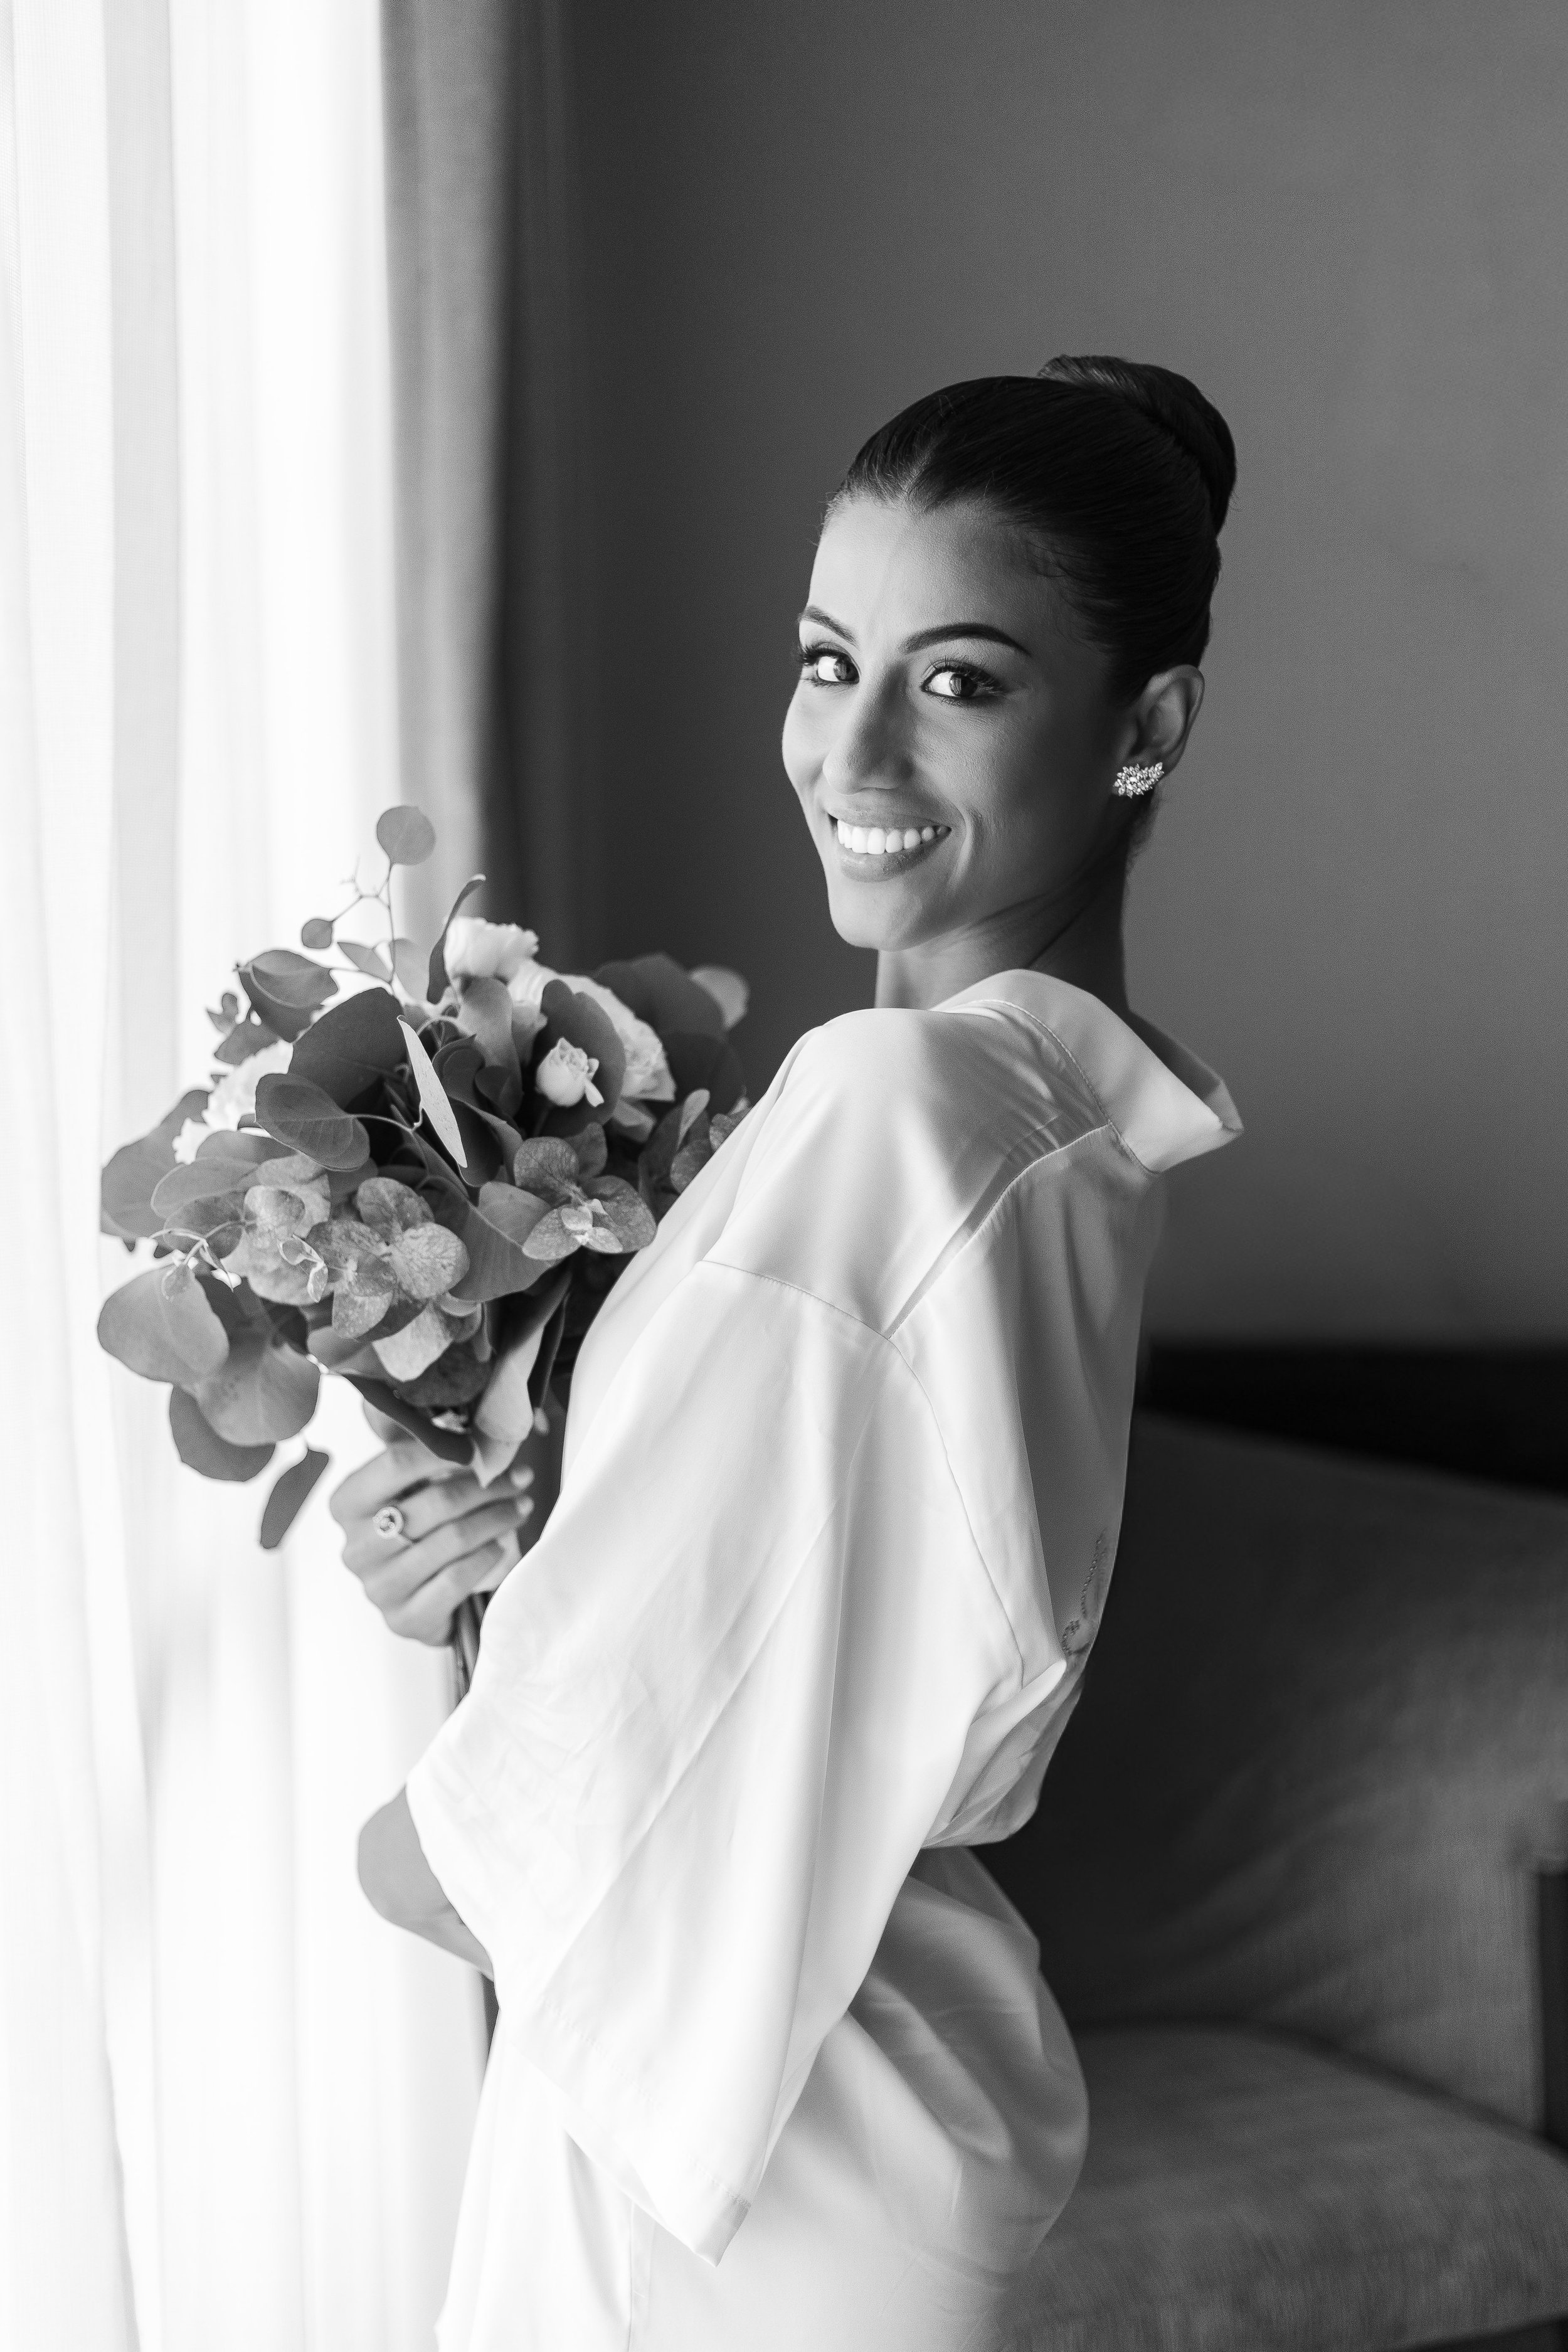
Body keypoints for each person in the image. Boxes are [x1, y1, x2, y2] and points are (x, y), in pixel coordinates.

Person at [333, 356, 1243, 2349]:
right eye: (830, 659)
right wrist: (504, 1547)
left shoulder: (898, 1110)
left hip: (761, 2123)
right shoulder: (1060, 1130)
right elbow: (775, 1591)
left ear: (1144, 722)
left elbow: (605, 1743)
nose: (856, 747)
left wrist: (415, 1837)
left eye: (960, 679)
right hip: (846, 2076)